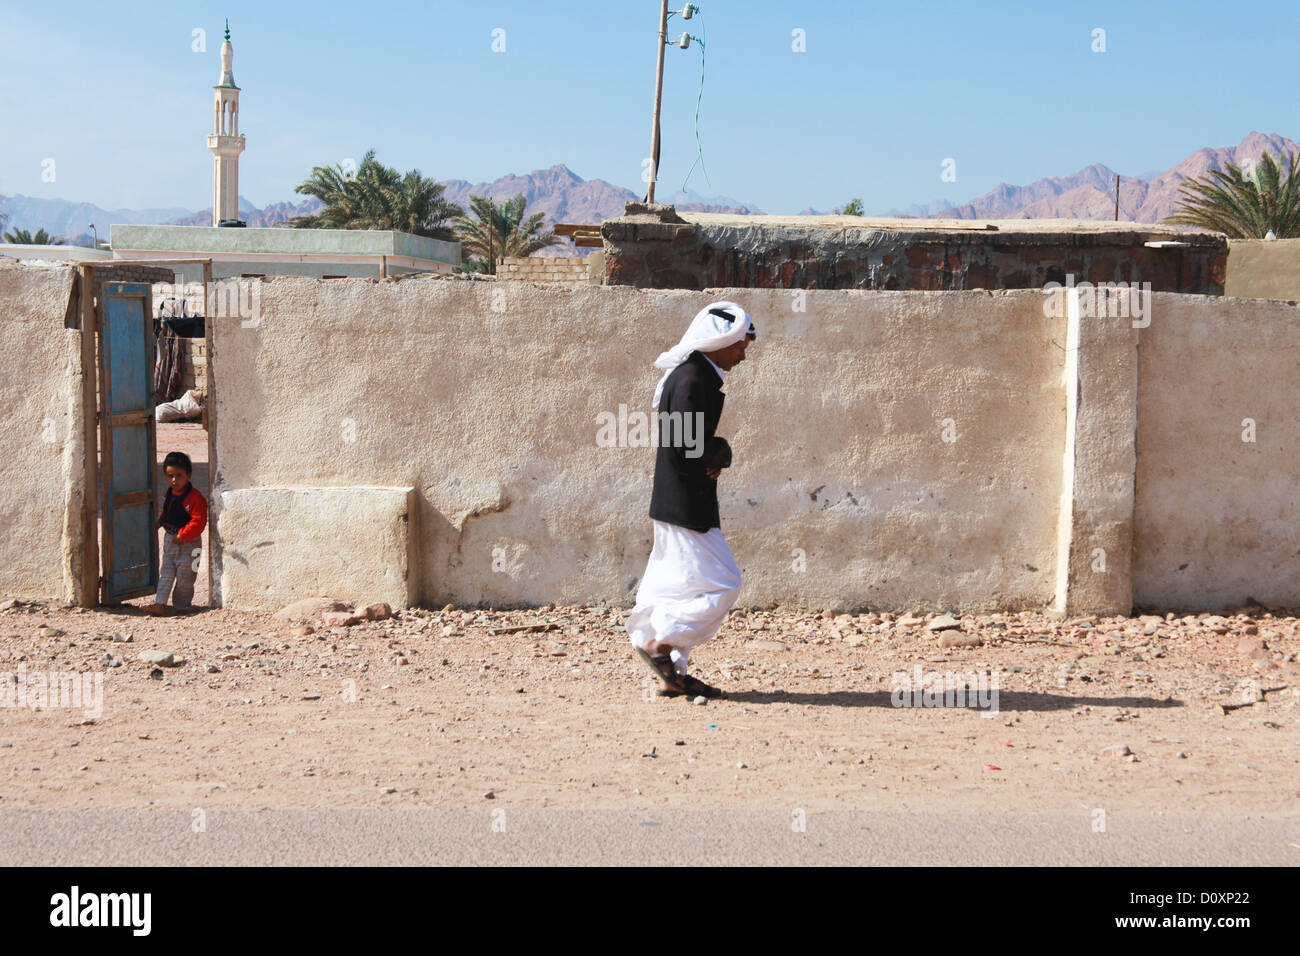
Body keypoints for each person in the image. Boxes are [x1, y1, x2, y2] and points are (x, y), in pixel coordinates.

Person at [625, 300, 757, 699]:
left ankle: (671, 674)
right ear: (719, 340)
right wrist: (719, 452)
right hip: (686, 504)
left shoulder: (693, 376)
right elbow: (687, 444)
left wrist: (714, 453)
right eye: (739, 345)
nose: (742, 354)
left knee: (681, 587)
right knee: (724, 584)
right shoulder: (692, 379)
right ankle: (659, 646)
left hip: (676, 500)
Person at [142, 452, 208, 616]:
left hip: (191, 544)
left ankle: (183, 607)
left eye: (179, 475)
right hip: (170, 541)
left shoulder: (195, 498)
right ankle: (160, 603)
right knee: (166, 572)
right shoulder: (170, 494)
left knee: (187, 577)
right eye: (170, 476)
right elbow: (168, 513)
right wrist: (160, 522)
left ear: (188, 475)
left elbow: (199, 521)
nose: (174, 480)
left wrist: (184, 535)